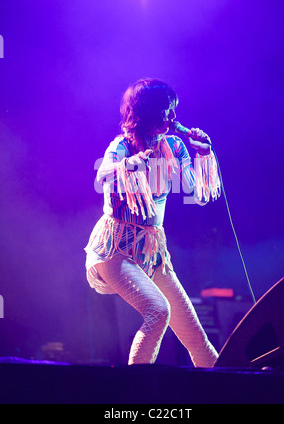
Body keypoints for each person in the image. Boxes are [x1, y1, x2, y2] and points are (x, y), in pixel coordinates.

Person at [84, 78, 221, 367]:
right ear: (147, 113)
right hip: (116, 248)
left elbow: (196, 194)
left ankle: (230, 396)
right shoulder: (121, 146)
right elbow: (100, 176)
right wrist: (127, 165)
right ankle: (137, 394)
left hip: (153, 252)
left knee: (196, 338)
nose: (173, 118)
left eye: (174, 110)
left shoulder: (175, 145)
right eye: (166, 111)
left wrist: (203, 154)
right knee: (158, 311)